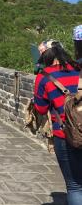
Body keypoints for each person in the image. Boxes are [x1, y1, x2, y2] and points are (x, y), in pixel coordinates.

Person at [34, 40, 82, 205]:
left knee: (75, 186)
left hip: (66, 133)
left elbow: (40, 109)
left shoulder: (44, 77)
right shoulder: (78, 70)